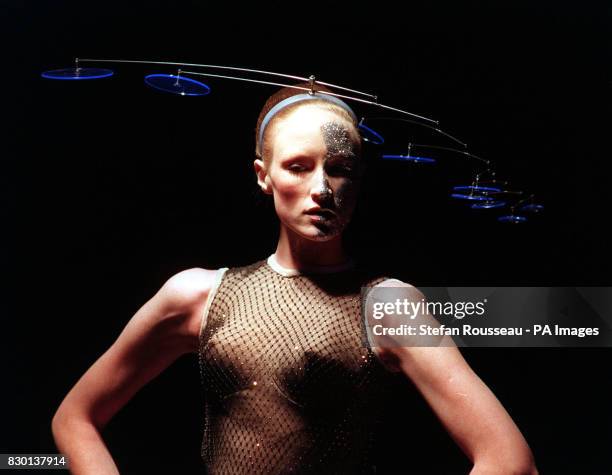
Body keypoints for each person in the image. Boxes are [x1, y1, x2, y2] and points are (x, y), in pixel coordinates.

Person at [52, 82, 538, 474]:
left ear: (360, 179)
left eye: (341, 169)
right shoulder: (201, 295)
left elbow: (509, 460)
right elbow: (75, 418)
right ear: (264, 176)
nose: (322, 189)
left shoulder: (387, 305)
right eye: (298, 167)